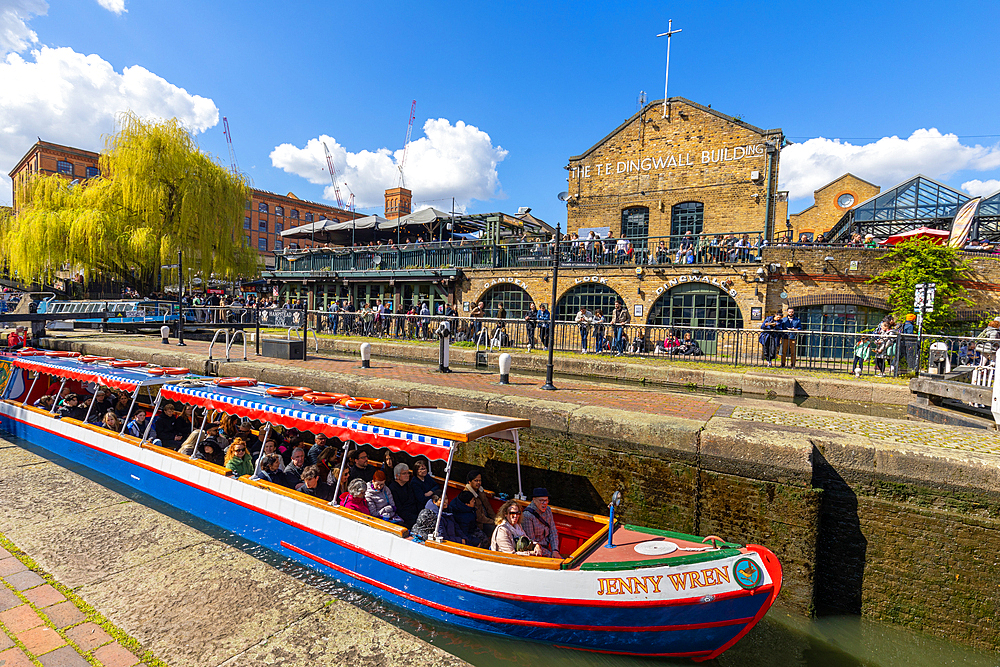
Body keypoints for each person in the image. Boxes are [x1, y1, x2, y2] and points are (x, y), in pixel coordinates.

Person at [520, 488, 563, 558]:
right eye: (541, 501)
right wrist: (550, 555)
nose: (545, 503)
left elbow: (553, 532)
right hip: (536, 552)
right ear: (534, 500)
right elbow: (531, 542)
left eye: (546, 500)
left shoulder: (548, 510)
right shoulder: (527, 515)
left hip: (547, 549)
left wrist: (555, 550)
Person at [464, 469, 496, 542]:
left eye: (480, 480)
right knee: (497, 530)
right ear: (469, 482)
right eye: (476, 481)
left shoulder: (480, 491)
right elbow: (479, 517)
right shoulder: (468, 495)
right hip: (480, 524)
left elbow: (488, 507)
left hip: (487, 519)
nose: (478, 483)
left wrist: (496, 519)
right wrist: (494, 522)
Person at [388, 462, 420, 528]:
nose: (407, 475)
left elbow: (413, 501)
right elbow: (399, 509)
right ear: (397, 476)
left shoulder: (408, 485)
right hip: (403, 518)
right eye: (404, 473)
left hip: (414, 513)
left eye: (408, 473)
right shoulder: (392, 488)